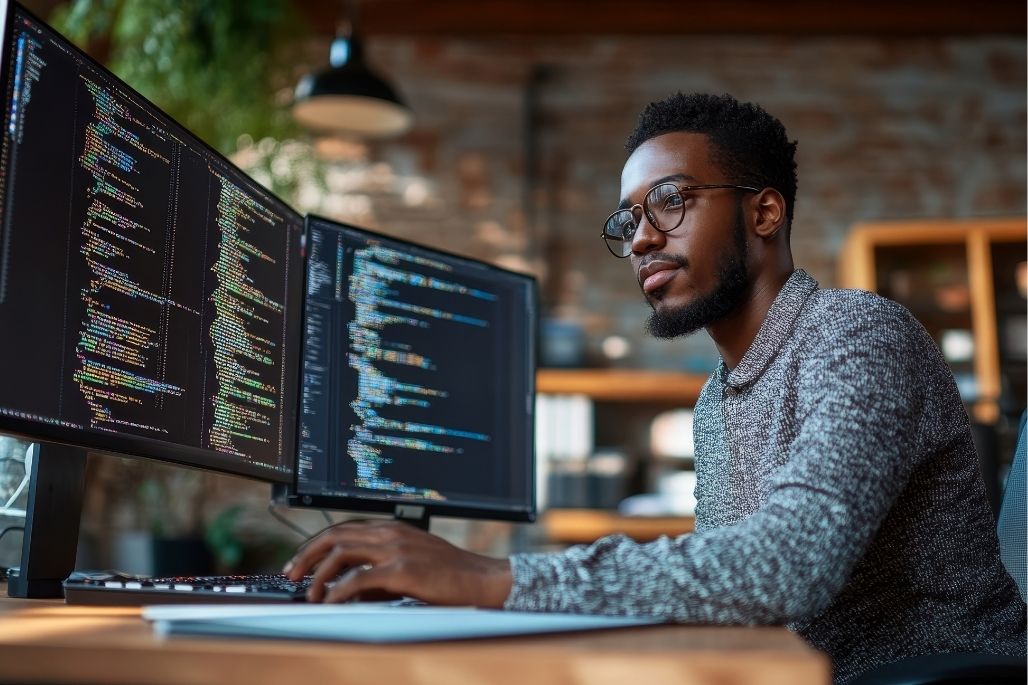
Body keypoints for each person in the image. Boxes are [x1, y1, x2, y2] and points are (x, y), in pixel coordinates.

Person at [284, 93, 1027, 684]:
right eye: (629, 217)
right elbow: (722, 588)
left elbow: (787, 563)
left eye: (670, 200)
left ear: (764, 212)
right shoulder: (716, 400)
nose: (639, 238)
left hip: (932, 674)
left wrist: (490, 577)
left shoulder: (857, 334)